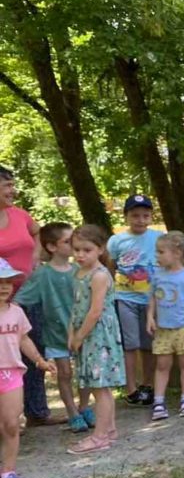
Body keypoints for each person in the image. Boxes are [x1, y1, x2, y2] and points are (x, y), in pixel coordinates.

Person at [0, 166, 61, 427]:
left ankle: (37, 412)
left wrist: (35, 255)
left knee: (34, 347)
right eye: (7, 186)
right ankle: (9, 419)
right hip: (2, 298)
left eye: (12, 185)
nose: (13, 191)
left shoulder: (20, 215)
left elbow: (37, 232)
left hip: (29, 293)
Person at [15, 224, 89, 432]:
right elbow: (21, 299)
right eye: (67, 241)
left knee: (86, 372)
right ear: (51, 246)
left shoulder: (79, 270)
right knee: (64, 373)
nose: (73, 244)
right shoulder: (42, 274)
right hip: (56, 334)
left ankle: (84, 407)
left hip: (82, 332)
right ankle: (72, 413)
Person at [68, 225, 125, 454]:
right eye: (77, 250)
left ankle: (100, 436)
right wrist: (71, 333)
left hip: (98, 336)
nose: (80, 255)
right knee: (97, 386)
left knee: (101, 387)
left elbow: (95, 311)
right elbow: (76, 306)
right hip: (85, 333)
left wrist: (80, 336)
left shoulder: (99, 275)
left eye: (87, 250)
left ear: (100, 249)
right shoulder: (78, 272)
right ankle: (109, 430)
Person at [0, 258, 54, 478]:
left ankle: (8, 472)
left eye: (8, 282)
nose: (4, 287)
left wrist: (39, 361)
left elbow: (24, 339)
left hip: (12, 374)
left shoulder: (17, 312)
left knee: (12, 424)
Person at [108, 194, 163, 406]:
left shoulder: (158, 237)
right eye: (135, 215)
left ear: (151, 217)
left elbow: (171, 260)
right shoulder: (117, 241)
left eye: (145, 215)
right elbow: (110, 266)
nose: (140, 220)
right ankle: (130, 388)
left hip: (151, 300)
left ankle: (147, 385)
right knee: (130, 344)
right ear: (126, 216)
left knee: (149, 344)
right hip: (125, 297)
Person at [146, 232, 184, 421]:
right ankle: (159, 402)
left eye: (161, 252)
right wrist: (150, 317)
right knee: (162, 365)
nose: (157, 256)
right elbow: (153, 297)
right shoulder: (157, 275)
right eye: (157, 252)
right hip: (163, 329)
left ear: (177, 253)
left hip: (183, 329)